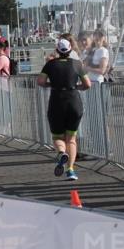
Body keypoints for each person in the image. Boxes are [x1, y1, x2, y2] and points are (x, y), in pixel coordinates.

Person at [37, 38, 91, 181]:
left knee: (57, 137)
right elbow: (87, 84)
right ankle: (71, 170)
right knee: (72, 138)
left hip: (57, 101)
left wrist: (52, 85)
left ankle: (61, 152)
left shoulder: (50, 64)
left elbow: (40, 82)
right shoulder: (77, 64)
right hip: (74, 102)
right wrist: (75, 87)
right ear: (70, 50)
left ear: (57, 50)